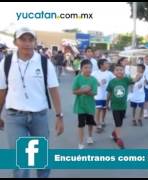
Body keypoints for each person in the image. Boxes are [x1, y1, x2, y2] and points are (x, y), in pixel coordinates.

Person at [0, 27, 64, 178]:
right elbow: (2, 91)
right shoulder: (6, 62)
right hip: (14, 117)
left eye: (31, 40)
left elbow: (54, 90)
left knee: (41, 160)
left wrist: (59, 116)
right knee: (21, 163)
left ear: (35, 42)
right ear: (16, 42)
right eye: (23, 39)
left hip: (38, 117)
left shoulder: (43, 62)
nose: (27, 43)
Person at [106, 64, 142, 149]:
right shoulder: (112, 82)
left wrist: (139, 75)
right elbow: (109, 93)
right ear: (114, 72)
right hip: (115, 106)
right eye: (117, 70)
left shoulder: (126, 80)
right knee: (118, 123)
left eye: (121, 70)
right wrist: (107, 103)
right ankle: (119, 140)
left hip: (123, 106)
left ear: (124, 71)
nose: (119, 71)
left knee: (120, 123)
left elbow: (134, 81)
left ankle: (114, 133)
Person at [72, 59, 98, 149]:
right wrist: (84, 90)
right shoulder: (77, 78)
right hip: (80, 106)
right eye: (86, 67)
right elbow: (74, 91)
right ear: (81, 68)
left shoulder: (93, 80)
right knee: (81, 124)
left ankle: (90, 137)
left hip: (90, 106)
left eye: (90, 68)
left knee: (90, 123)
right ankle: (80, 142)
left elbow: (94, 93)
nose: (88, 69)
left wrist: (87, 91)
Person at [92, 59, 114, 133]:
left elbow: (115, 80)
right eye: (106, 63)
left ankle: (102, 120)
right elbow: (90, 80)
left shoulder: (109, 73)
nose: (108, 64)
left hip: (106, 95)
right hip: (98, 94)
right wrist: (96, 83)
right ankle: (97, 123)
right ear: (101, 65)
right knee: (98, 108)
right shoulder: (95, 73)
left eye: (108, 63)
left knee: (104, 108)